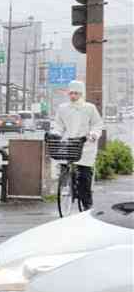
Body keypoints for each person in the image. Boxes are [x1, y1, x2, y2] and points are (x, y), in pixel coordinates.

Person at [51, 80, 103, 210]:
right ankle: (68, 187)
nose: (73, 96)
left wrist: (93, 135)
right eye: (71, 93)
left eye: (76, 93)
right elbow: (58, 124)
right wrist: (56, 133)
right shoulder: (63, 108)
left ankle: (86, 202)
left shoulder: (89, 108)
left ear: (82, 94)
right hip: (68, 144)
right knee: (64, 168)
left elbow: (97, 124)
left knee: (85, 174)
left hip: (86, 144)